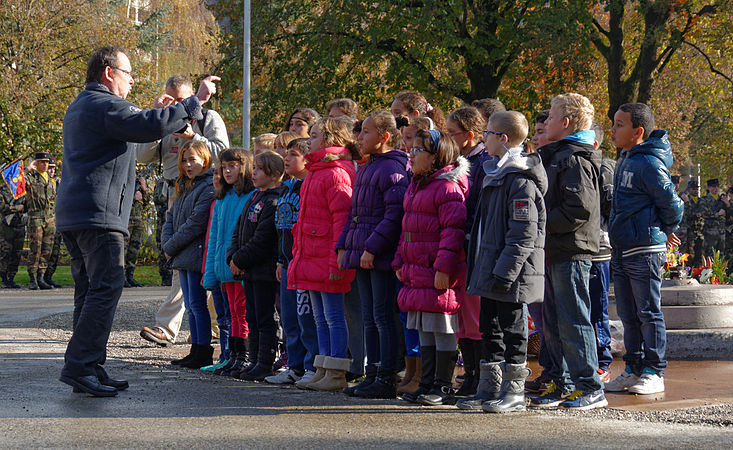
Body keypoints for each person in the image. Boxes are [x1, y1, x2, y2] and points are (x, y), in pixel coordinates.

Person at [57, 46, 211, 397]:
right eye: (128, 73)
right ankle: (80, 366)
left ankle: (90, 366)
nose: (131, 80)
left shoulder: (87, 104)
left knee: (90, 291)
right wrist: (193, 101)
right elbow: (145, 127)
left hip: (79, 214)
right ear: (109, 73)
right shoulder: (103, 103)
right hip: (99, 216)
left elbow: (140, 123)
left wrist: (158, 113)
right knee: (105, 289)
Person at [462, 110, 546, 413]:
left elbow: (524, 234)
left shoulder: (520, 182)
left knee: (513, 331)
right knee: (490, 329)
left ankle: (514, 392)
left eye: (488, 134)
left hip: (510, 275)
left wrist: (505, 272)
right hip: (491, 271)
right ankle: (490, 387)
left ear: (504, 139)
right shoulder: (495, 174)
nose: (484, 139)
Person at [137, 73, 228, 347]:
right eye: (171, 99)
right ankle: (211, 326)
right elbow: (141, 156)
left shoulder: (208, 118)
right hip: (173, 193)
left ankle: (166, 326)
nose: (176, 105)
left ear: (192, 97)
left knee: (184, 259)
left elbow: (224, 153)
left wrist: (193, 136)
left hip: (203, 193)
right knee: (196, 262)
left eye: (181, 100)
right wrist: (155, 119)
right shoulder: (164, 121)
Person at [529, 93, 606, 410]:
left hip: (571, 252)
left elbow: (580, 210)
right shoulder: (558, 155)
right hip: (553, 250)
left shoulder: (575, 159)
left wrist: (540, 225)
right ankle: (564, 383)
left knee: (573, 320)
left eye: (551, 116)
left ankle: (589, 386)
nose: (545, 122)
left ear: (566, 122)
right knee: (554, 322)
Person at [606, 103, 683, 395]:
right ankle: (633, 368)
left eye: (619, 125)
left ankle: (654, 370)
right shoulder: (626, 158)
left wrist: (665, 229)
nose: (613, 130)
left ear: (638, 131)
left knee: (648, 312)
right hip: (622, 248)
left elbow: (673, 203)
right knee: (628, 313)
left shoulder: (648, 163)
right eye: (613, 123)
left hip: (644, 249)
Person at [337, 111, 409, 399]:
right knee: (369, 316)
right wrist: (343, 244)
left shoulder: (394, 169)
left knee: (383, 315)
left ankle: (388, 376)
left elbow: (394, 216)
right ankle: (373, 372)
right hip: (362, 253)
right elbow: (355, 213)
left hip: (379, 256)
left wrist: (371, 248)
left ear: (384, 137)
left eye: (366, 132)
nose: (359, 137)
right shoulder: (367, 168)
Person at [395, 129, 469, 407]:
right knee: (424, 327)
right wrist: (398, 261)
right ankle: (426, 382)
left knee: (442, 327)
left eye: (418, 151)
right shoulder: (417, 185)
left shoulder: (447, 187)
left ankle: (442, 384)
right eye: (411, 150)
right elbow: (406, 230)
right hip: (416, 269)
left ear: (436, 156)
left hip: (435, 271)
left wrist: (444, 268)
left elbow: (453, 231)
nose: (411, 155)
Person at [288, 116, 358, 392]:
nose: (309, 140)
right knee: (320, 318)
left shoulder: (336, 173)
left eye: (315, 135)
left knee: (333, 317)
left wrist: (335, 259)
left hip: (326, 257)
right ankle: (323, 367)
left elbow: (341, 221)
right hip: (310, 256)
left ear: (331, 140)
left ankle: (336, 369)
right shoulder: (316, 171)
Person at [227, 151, 285, 381]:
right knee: (252, 316)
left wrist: (240, 260)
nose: (254, 173)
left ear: (274, 174)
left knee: (264, 318)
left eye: (260, 169)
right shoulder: (254, 197)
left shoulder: (273, 200)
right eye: (255, 168)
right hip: (248, 270)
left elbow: (262, 240)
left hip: (263, 271)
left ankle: (265, 362)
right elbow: (238, 231)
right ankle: (253, 360)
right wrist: (233, 258)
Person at [446, 106, 489, 398]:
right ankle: (469, 373)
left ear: (470, 135)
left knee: (475, 317)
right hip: (462, 246)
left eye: (453, 133)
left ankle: (477, 375)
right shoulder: (460, 162)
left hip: (475, 246)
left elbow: (477, 206)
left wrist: (469, 233)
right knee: (463, 317)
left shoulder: (482, 164)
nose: (449, 138)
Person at [269, 139, 319, 386]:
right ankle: (294, 365)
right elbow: (283, 230)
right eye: (286, 154)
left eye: (293, 154)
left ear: (307, 159)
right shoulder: (287, 187)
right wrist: (280, 259)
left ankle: (310, 365)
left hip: (304, 261)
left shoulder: (307, 186)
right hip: (287, 262)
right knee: (289, 318)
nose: (286, 159)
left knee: (306, 318)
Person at [202, 148, 256, 377]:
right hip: (224, 268)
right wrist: (212, 271)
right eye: (224, 167)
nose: (227, 171)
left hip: (241, 266)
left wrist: (240, 260)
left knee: (243, 313)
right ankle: (234, 356)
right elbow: (214, 238)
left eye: (232, 166)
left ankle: (244, 357)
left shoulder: (250, 196)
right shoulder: (222, 199)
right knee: (233, 313)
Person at [162, 141, 215, 369]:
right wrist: (167, 242)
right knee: (192, 305)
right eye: (184, 160)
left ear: (205, 160)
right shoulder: (185, 186)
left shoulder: (208, 188)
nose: (188, 164)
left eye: (193, 159)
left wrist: (171, 246)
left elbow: (196, 223)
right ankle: (195, 350)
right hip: (181, 254)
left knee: (197, 303)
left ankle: (203, 348)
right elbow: (171, 218)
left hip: (194, 253)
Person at [525, 110, 553, 393]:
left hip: (550, 249)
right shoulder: (533, 164)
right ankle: (547, 369)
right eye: (534, 132)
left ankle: (556, 371)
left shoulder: (554, 164)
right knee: (540, 316)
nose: (536, 137)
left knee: (551, 318)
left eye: (541, 132)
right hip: (535, 254)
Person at [589, 122, 615, 383]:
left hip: (598, 247)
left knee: (598, 308)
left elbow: (609, 207)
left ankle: (602, 360)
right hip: (579, 247)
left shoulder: (605, 167)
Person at [25, 152, 56, 290]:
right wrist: (28, 168)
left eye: (46, 162)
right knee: (35, 250)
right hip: (36, 219)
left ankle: (41, 277)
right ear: (36, 163)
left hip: (50, 219)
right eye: (42, 162)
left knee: (46, 250)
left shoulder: (51, 180)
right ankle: (32, 278)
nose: (45, 164)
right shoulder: (30, 178)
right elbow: (16, 181)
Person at [123, 172, 150, 288]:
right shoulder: (124, 183)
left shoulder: (139, 186)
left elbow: (147, 203)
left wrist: (144, 188)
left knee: (134, 251)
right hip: (126, 220)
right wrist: (133, 197)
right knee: (123, 250)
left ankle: (130, 276)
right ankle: (121, 277)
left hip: (138, 222)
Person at [0, 180, 25, 289]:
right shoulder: (3, 190)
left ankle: (11, 278)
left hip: (19, 224)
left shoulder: (22, 190)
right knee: (5, 252)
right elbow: (1, 207)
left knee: (17, 253)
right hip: (6, 226)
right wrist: (15, 208)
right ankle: (4, 278)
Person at [44, 157, 63, 288]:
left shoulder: (58, 183)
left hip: (57, 221)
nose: (51, 170)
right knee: (45, 251)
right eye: (49, 168)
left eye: (53, 168)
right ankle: (40, 277)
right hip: (45, 221)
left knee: (55, 251)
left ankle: (49, 276)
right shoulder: (42, 183)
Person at [698, 178, 726, 258]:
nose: (716, 188)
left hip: (721, 231)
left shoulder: (722, 199)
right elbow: (704, 213)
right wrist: (718, 214)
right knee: (710, 255)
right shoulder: (704, 200)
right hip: (710, 232)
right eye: (713, 186)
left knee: (721, 255)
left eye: (717, 186)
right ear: (708, 188)